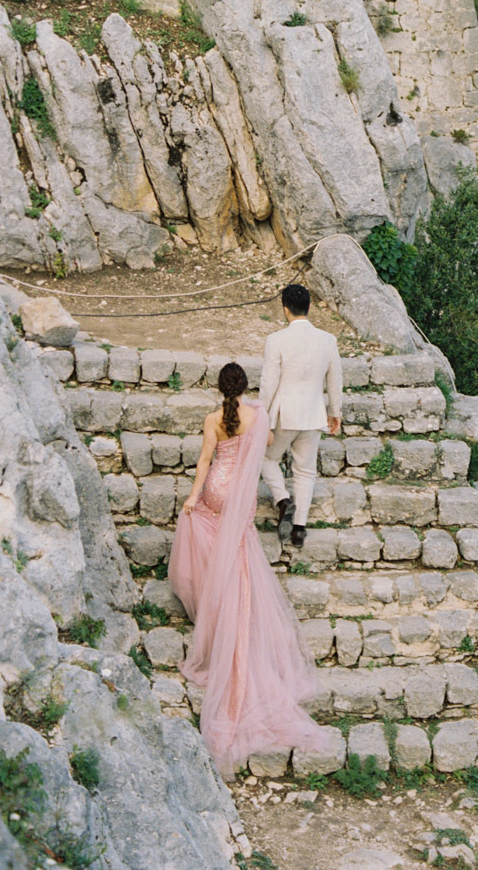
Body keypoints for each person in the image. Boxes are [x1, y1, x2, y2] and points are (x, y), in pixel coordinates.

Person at [168, 361, 328, 775]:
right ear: (244, 387)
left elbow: (205, 461)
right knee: (236, 552)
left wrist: (192, 496)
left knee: (197, 523)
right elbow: (267, 444)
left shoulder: (212, 418)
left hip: (218, 493)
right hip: (240, 499)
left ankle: (210, 599)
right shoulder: (258, 417)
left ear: (219, 387)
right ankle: (230, 599)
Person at [259, 282, 343, 549]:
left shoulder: (276, 340)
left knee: (266, 458)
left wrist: (262, 415)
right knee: (306, 471)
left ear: (285, 310)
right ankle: (299, 530)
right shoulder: (328, 340)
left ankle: (284, 501)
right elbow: (335, 380)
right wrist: (335, 412)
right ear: (309, 307)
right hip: (313, 413)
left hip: (285, 414)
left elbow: (268, 382)